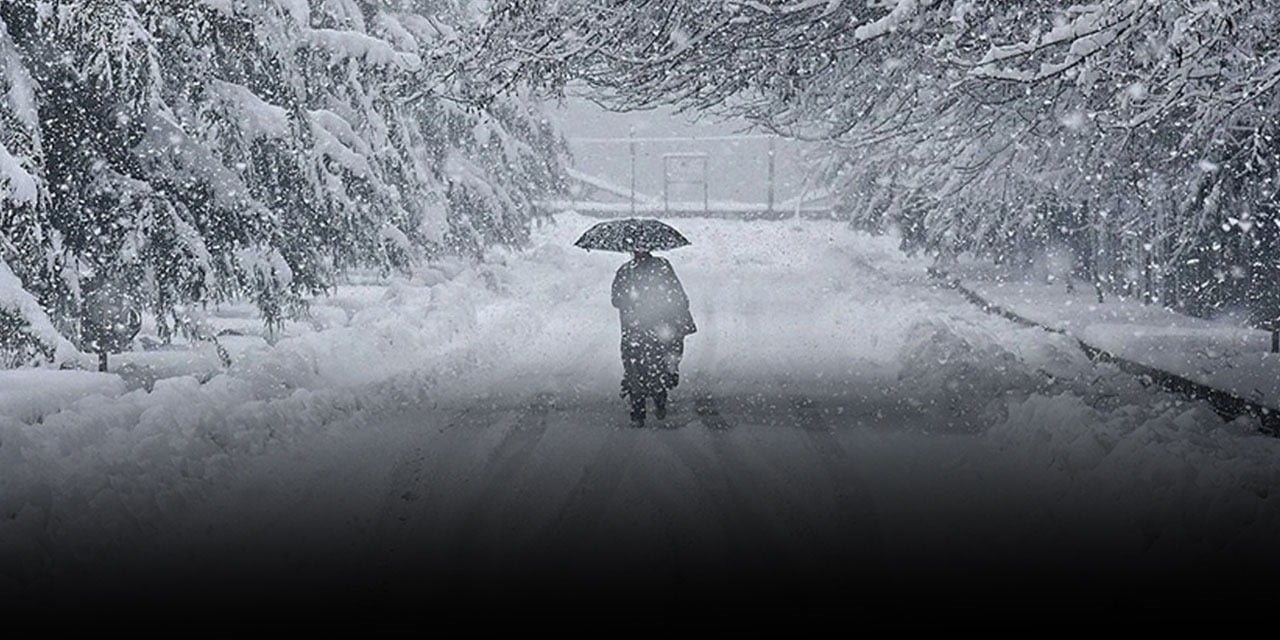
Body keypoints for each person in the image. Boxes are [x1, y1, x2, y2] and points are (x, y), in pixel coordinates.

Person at [611, 249, 696, 427]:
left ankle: (640, 410)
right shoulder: (661, 267)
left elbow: (616, 300)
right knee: (655, 366)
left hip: (637, 329)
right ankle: (656, 403)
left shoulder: (626, 270)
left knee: (637, 367)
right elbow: (676, 294)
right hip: (656, 328)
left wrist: (634, 301)